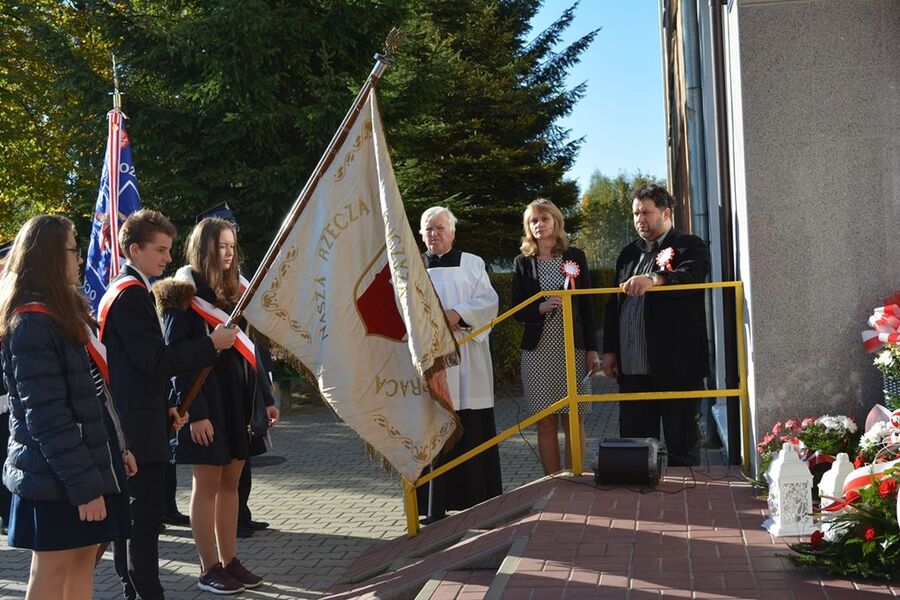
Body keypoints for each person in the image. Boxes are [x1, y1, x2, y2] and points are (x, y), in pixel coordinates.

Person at [99, 209, 237, 600]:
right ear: (134, 249)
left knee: (138, 514)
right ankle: (146, 590)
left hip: (142, 415)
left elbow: (138, 367)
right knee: (144, 517)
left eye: (168, 249)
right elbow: (154, 361)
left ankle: (137, 586)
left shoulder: (130, 290)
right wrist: (210, 345)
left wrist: (166, 409)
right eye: (159, 250)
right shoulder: (130, 295)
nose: (166, 258)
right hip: (135, 425)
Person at [0, 215, 135, 600]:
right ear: (49, 257)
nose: (80, 259)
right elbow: (47, 418)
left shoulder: (62, 314)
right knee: (52, 571)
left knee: (82, 563)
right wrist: (84, 487)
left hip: (82, 468)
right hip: (56, 477)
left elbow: (92, 394)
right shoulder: (31, 323)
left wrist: (116, 450)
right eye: (75, 250)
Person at [158, 216, 278, 594]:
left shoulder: (236, 290)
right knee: (206, 486)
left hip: (238, 400)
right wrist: (194, 413)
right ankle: (208, 567)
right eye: (220, 246)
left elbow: (253, 351)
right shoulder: (182, 292)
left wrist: (266, 397)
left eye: (231, 246)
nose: (227, 253)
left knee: (232, 483)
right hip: (205, 403)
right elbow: (176, 357)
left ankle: (230, 560)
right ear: (203, 247)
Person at [601, 184, 711, 466]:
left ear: (665, 213)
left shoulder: (690, 245)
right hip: (634, 369)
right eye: (636, 213)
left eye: (646, 212)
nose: (640, 219)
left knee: (681, 448)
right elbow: (614, 305)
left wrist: (654, 279)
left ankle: (685, 507)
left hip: (677, 367)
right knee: (635, 450)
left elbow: (692, 274)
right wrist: (611, 350)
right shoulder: (627, 254)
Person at [415, 207, 502, 523]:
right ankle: (433, 506)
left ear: (452, 232)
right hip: (432, 362)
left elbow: (489, 301)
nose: (433, 234)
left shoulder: (472, 263)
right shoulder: (412, 266)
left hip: (468, 359)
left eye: (439, 228)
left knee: (472, 424)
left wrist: (459, 314)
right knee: (435, 426)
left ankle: (478, 501)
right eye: (428, 229)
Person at [511, 199, 600, 475]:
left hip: (572, 350)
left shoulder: (575, 257)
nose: (539, 225)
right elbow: (517, 309)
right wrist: (539, 306)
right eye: (533, 221)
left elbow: (587, 306)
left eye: (544, 219)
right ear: (528, 227)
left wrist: (592, 349)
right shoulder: (522, 262)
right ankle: (553, 481)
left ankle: (576, 477)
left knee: (574, 419)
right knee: (546, 422)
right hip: (538, 354)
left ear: (556, 222)